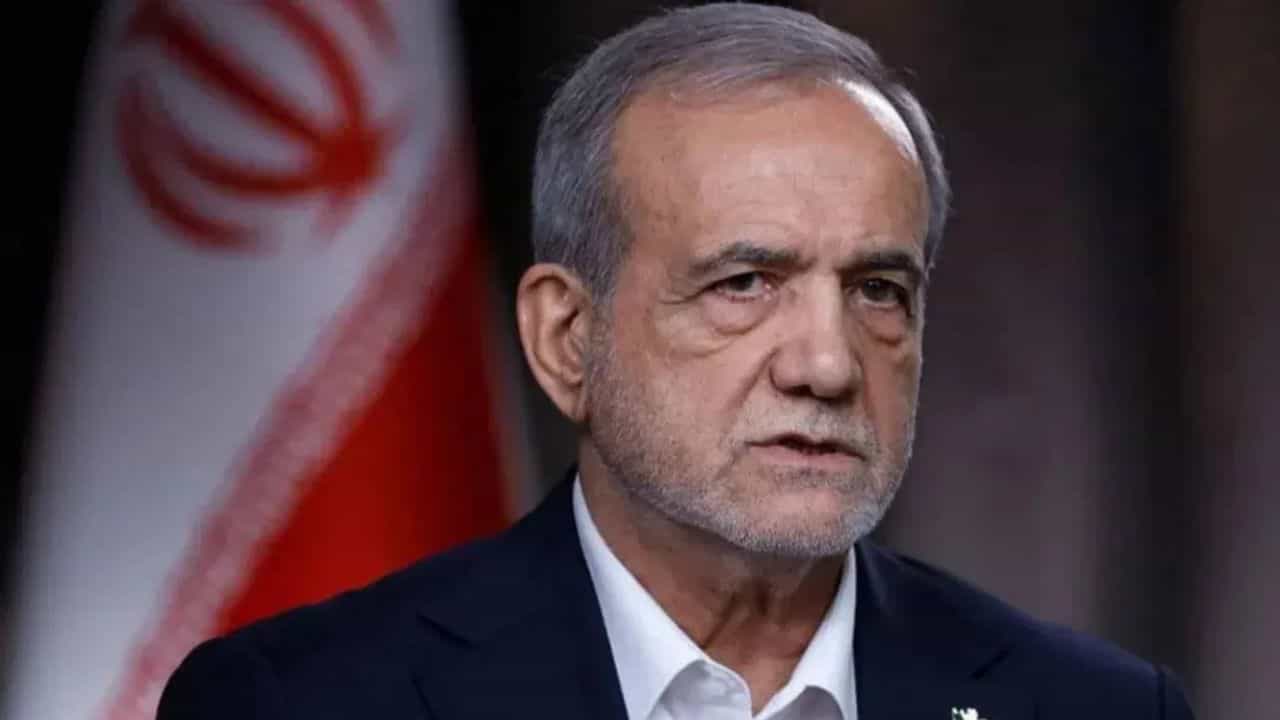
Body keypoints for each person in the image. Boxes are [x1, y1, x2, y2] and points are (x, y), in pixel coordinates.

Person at [157, 4, 1198, 719]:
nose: (827, 365)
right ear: (566, 338)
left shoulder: (1094, 709)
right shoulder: (300, 702)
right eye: (744, 282)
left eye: (878, 290)